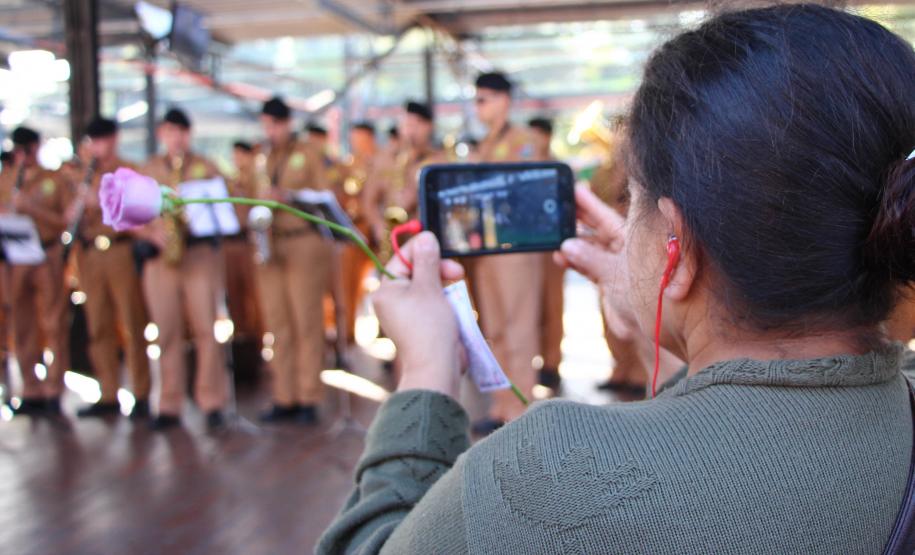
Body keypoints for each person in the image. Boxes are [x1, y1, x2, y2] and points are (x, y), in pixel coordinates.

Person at [318, 6, 915, 553]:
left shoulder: (545, 478)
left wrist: (425, 373)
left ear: (676, 244)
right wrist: (663, 310)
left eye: (632, 196)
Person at [139, 108, 228, 431]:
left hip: (198, 255)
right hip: (161, 259)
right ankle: (169, 403)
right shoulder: (148, 168)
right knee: (166, 332)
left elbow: (226, 205)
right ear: (162, 133)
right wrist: (151, 233)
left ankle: (212, 401)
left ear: (189, 135)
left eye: (182, 131)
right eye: (170, 131)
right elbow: (129, 216)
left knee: (207, 330)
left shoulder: (205, 167)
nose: (176, 138)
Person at [470, 72, 543, 432]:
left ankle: (521, 408)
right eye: (477, 100)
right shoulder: (483, 144)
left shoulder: (524, 140)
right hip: (488, 246)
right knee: (495, 329)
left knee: (518, 328)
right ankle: (501, 406)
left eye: (483, 99)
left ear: (504, 101)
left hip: (515, 245)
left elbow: (526, 187)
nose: (478, 107)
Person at [256, 96, 331, 424]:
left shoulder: (309, 154)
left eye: (275, 124)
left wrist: (290, 198)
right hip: (271, 245)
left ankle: (308, 397)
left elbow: (326, 196)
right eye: (267, 125)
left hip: (303, 242)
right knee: (278, 324)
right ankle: (283, 396)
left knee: (306, 321)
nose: (271, 131)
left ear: (287, 123)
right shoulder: (262, 158)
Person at [72, 117, 152, 419]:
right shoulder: (83, 174)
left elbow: (139, 212)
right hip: (90, 254)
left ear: (114, 139)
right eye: (93, 141)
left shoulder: (128, 171)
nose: (97, 146)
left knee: (132, 322)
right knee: (98, 325)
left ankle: (141, 394)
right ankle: (108, 393)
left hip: (120, 250)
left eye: (102, 139)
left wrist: (100, 201)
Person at [0, 126, 72, 417]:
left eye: (26, 149)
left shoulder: (55, 180)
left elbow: (64, 222)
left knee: (54, 322)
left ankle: (55, 388)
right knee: (22, 323)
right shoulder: (5, 179)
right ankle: (31, 387)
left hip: (47, 253)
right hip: (16, 258)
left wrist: (31, 208)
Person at [589, 133, 650, 399]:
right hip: (604, 243)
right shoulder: (603, 170)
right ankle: (620, 367)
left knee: (636, 308)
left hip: (633, 241)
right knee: (608, 311)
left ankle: (640, 371)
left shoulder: (642, 165)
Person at [363, 101, 445, 262]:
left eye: (418, 124)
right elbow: (369, 200)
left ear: (430, 127)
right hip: (393, 241)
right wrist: (378, 225)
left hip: (426, 241)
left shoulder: (439, 161)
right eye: (407, 123)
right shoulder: (385, 159)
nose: (411, 130)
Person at [527, 117, 565, 391]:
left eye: (536, 135)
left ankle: (552, 364)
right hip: (529, 249)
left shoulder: (556, 168)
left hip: (552, 248)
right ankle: (535, 361)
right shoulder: (526, 168)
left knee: (552, 306)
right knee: (531, 308)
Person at [337, 121, 377, 344]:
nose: (356, 143)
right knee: (349, 281)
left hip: (378, 228)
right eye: (353, 139)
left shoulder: (383, 160)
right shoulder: (348, 164)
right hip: (356, 226)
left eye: (360, 138)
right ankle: (348, 333)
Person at [225, 141, 264, 350]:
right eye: (235, 156)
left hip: (251, 243)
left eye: (241, 155)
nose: (238, 160)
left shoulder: (257, 179)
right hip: (231, 243)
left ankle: (259, 342)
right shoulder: (231, 180)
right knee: (234, 297)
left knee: (256, 296)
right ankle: (242, 343)